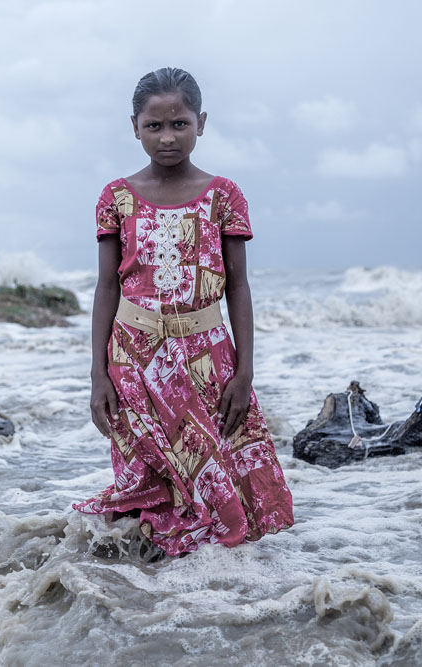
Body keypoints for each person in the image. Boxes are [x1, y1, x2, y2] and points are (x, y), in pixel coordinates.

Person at [73, 67, 294, 556]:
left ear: (202, 122)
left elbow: (238, 285)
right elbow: (107, 286)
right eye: (154, 126)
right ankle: (153, 591)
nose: (167, 137)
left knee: (215, 478)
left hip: (205, 358)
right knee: (148, 474)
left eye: (180, 124)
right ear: (135, 127)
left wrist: (244, 371)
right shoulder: (117, 197)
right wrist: (97, 375)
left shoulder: (224, 196)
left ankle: (210, 587)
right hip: (133, 356)